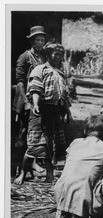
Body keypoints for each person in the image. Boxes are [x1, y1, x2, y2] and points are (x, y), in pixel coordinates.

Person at [14, 43, 72, 185]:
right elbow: (35, 88)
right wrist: (35, 104)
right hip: (41, 110)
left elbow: (64, 97)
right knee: (34, 146)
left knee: (51, 146)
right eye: (55, 53)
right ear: (48, 54)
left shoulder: (61, 73)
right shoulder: (40, 69)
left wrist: (68, 113)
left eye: (60, 54)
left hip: (55, 112)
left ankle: (50, 176)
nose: (58, 57)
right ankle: (22, 173)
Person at [54, 115, 103, 218]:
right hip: (85, 201)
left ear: (85, 130)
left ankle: (65, 209)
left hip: (60, 195)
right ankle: (100, 204)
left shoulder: (75, 143)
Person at [12, 26, 47, 177]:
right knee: (22, 133)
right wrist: (26, 101)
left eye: (42, 40)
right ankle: (16, 169)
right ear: (32, 41)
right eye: (37, 40)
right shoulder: (24, 57)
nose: (40, 42)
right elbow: (19, 81)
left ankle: (29, 167)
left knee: (35, 135)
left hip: (38, 100)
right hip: (25, 100)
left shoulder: (44, 57)